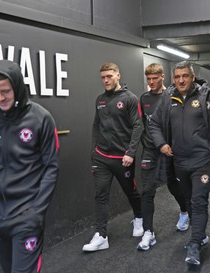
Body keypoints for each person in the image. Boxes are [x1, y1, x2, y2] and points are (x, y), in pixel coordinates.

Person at [0, 60, 60, 273]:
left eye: (6, 91)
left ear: (18, 87)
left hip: (26, 217)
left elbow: (51, 167)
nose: (0, 98)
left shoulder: (40, 118)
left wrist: (36, 212)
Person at [150, 61, 210, 265]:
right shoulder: (168, 99)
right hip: (179, 162)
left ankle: (195, 244)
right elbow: (155, 124)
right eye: (177, 77)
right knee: (188, 201)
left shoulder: (208, 97)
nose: (181, 80)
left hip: (203, 161)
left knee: (198, 201)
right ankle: (201, 235)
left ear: (192, 77)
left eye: (185, 76)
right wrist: (161, 144)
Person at [82, 62, 143, 252]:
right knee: (101, 195)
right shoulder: (100, 100)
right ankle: (101, 235)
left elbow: (138, 126)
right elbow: (95, 125)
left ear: (118, 75)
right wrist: (94, 150)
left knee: (130, 192)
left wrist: (131, 153)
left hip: (122, 158)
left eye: (109, 76)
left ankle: (139, 218)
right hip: (101, 157)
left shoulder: (130, 99)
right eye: (103, 77)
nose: (106, 80)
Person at [137, 63, 189, 251]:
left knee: (174, 186)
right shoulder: (143, 99)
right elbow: (142, 124)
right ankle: (148, 232)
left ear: (162, 78)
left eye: (155, 79)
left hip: (170, 150)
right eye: (148, 79)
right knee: (147, 190)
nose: (151, 82)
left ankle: (184, 211)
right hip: (150, 150)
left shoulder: (172, 96)